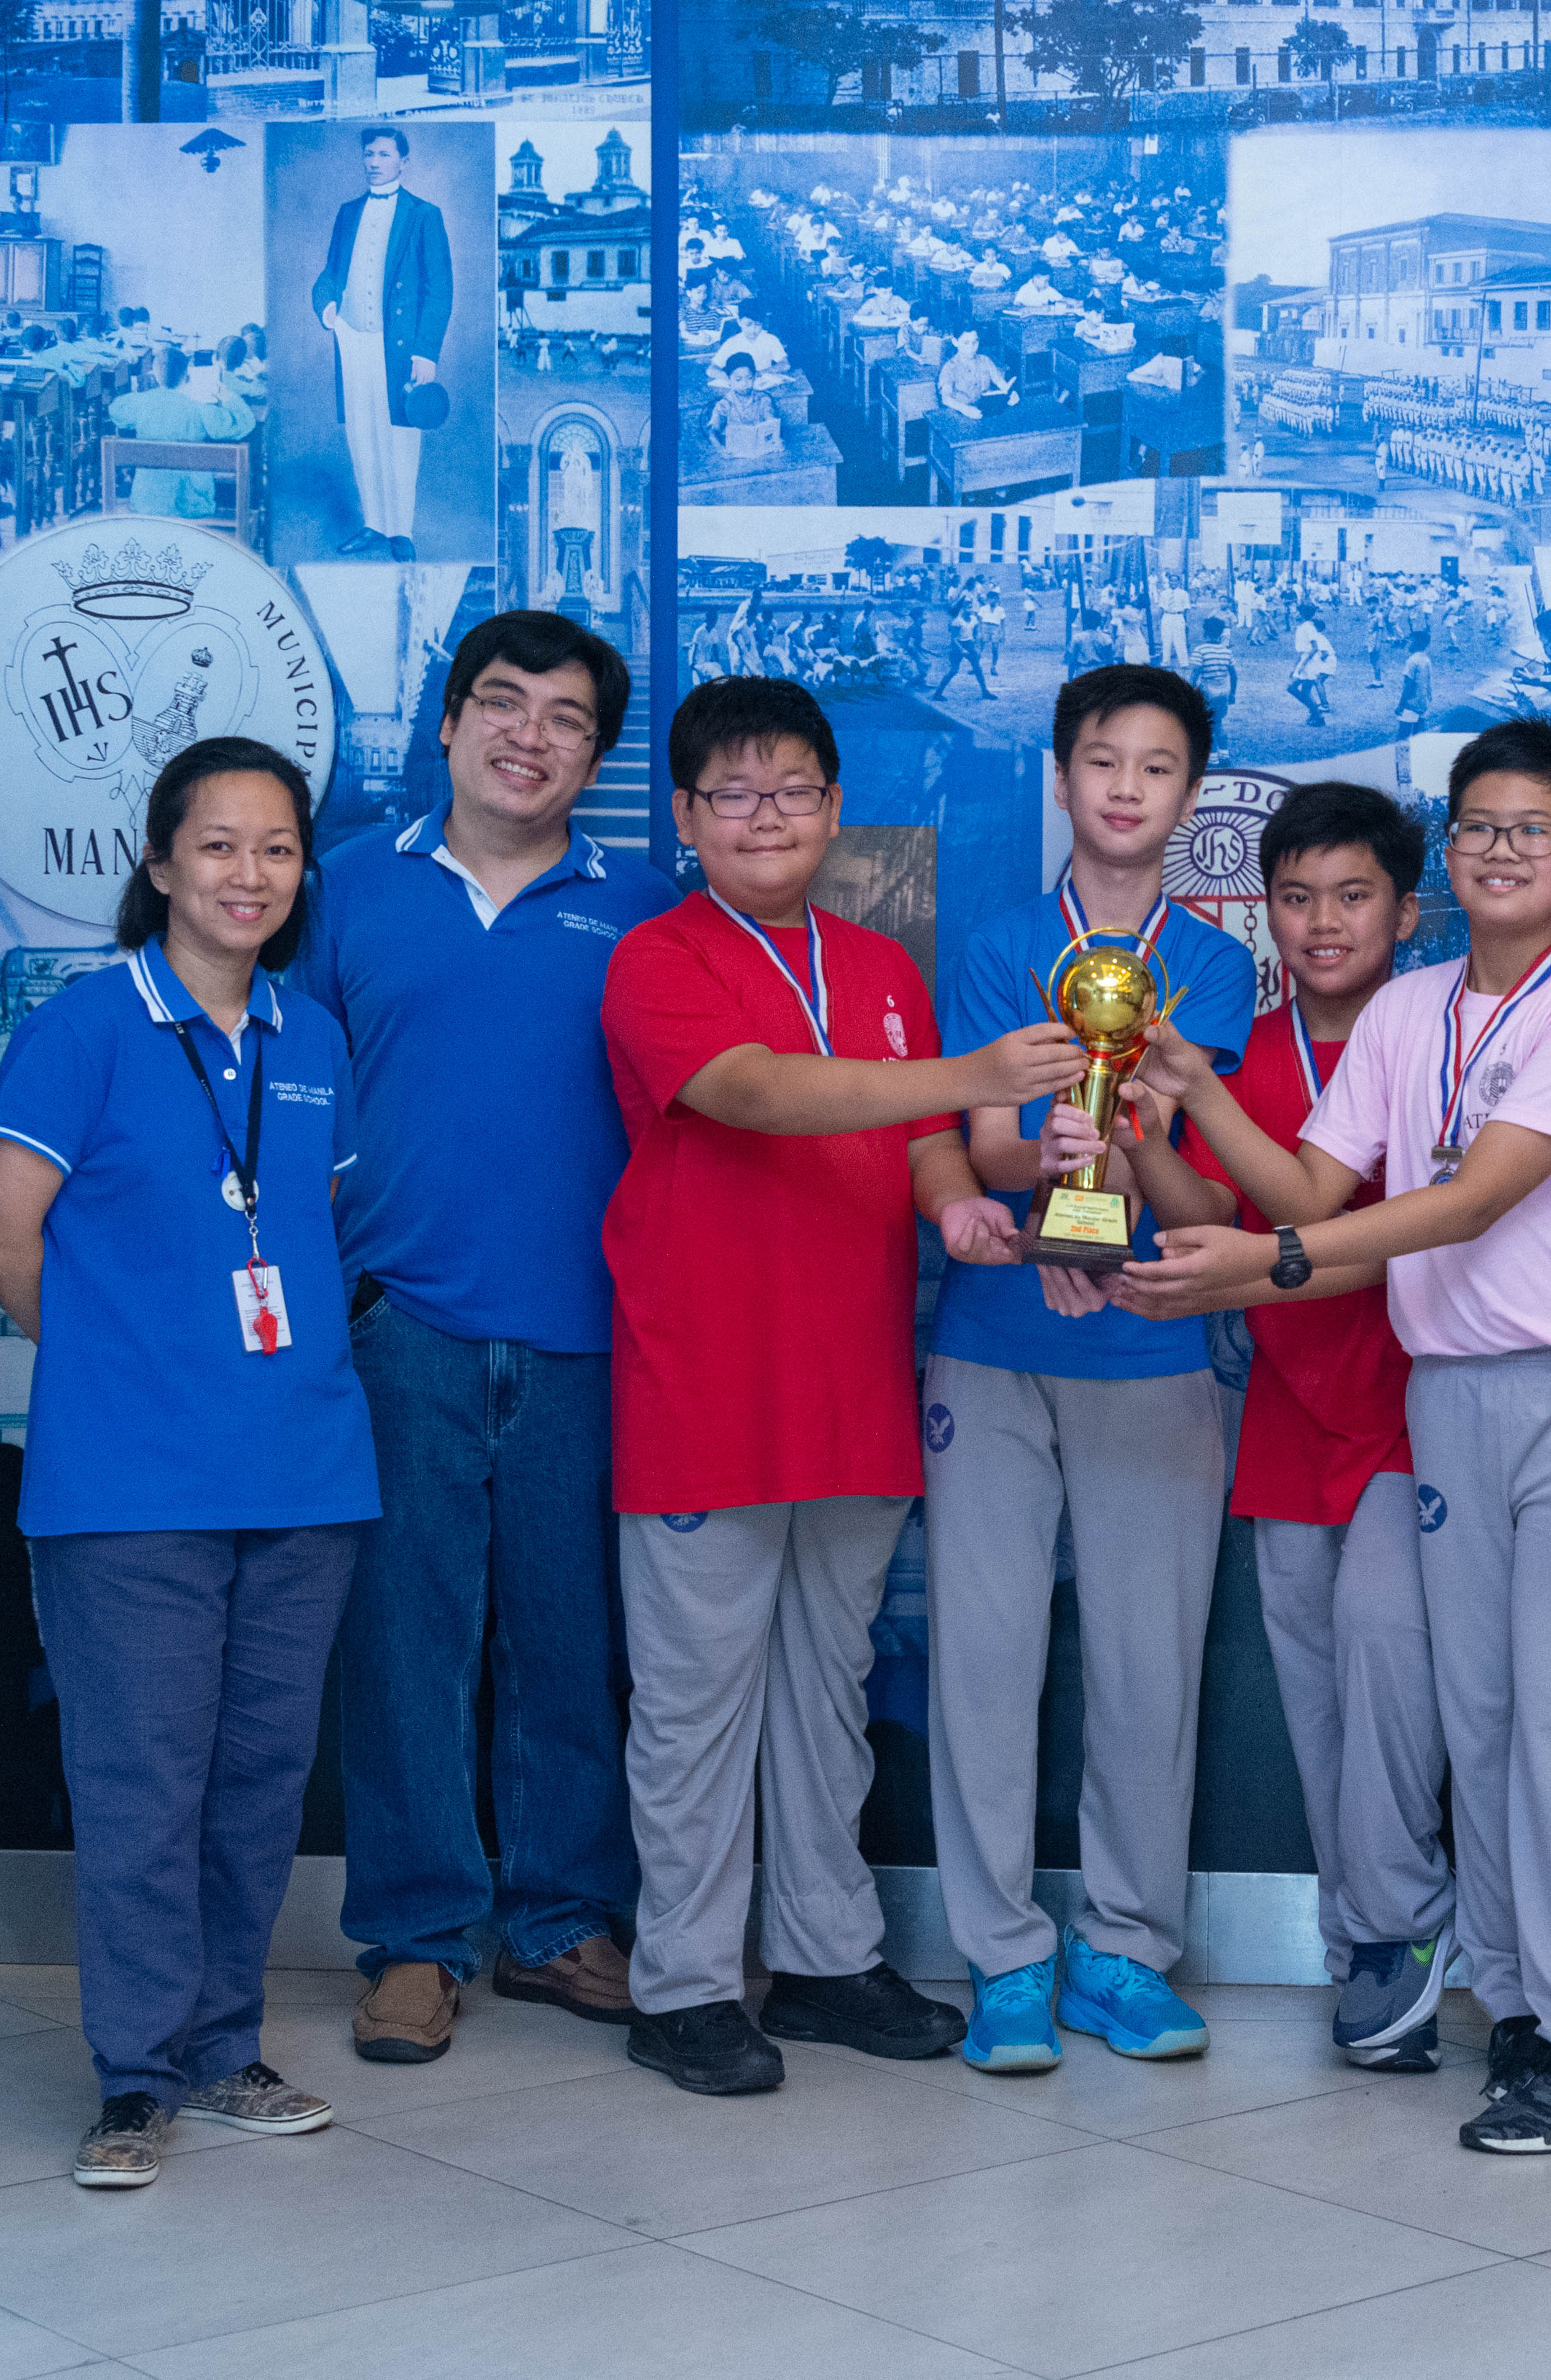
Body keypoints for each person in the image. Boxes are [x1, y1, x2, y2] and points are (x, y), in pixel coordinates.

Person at [1127, 718, 1551, 2158]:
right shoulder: (1404, 1011)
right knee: (1480, 1716)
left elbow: (1469, 1199)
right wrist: (1191, 1092)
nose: (1503, 849)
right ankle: (1524, 2009)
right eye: (1479, 824)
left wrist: (1263, 1266)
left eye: (1533, 830)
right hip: (1450, 1389)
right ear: (1451, 850)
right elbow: (1309, 1186)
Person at [598, 679, 1067, 2092]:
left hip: (852, 1381)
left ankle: (823, 1956)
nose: (766, 816)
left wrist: (959, 1208)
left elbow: (920, 1140)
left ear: (833, 807)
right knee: (695, 1704)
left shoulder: (878, 967)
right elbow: (756, 1092)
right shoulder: (656, 959)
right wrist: (968, 1073)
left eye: (793, 789)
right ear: (686, 816)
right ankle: (685, 1982)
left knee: (826, 1686)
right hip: (707, 1382)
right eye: (733, 793)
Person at [0, 736, 380, 2190]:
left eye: (277, 847)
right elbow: (1, 1231)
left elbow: (316, 1232)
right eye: (217, 844)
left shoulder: (310, 1039)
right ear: (158, 862)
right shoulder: (84, 1028)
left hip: (305, 1472)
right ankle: (135, 2076)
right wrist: (113, 1359)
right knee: (143, 1784)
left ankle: (221, 2045)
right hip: (130, 1485)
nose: (248, 873)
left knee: (259, 1780)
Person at [288, 614, 671, 2062]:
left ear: (597, 754)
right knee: (408, 1643)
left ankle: (562, 1918)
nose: (530, 735)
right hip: (402, 1327)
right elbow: (286, 1098)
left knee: (572, 1641)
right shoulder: (341, 890)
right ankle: (416, 1935)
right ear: (447, 723)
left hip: (588, 1333)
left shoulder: (642, 909)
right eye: (502, 704)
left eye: (566, 718)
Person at [922, 665, 1256, 2073]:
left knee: (1145, 1663)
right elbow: (986, 1138)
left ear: (1190, 793)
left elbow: (1198, 1183)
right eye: (1102, 760)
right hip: (993, 1338)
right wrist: (1052, 1174)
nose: (1126, 786)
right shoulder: (999, 945)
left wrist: (1109, 1176)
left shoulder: (1216, 966)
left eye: (1157, 765)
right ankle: (1002, 1956)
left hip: (1154, 1340)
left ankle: (1124, 1947)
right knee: (983, 1657)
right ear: (1060, 778)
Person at [1111, 783, 1460, 2071]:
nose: (1323, 922)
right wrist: (1142, 1139)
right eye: (1298, 897)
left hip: (1414, 1403)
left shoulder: (1441, 1039)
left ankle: (1402, 1925)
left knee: (1385, 1656)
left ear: (1404, 912)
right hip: (1286, 1409)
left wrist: (1236, 1252)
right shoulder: (1244, 1048)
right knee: (1315, 1693)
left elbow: (1382, 1232)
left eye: (1353, 896)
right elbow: (1208, 1210)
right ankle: (1359, 1944)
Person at [310, 125, 451, 560]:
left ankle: (401, 531)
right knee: (361, 431)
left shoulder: (424, 214)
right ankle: (373, 523)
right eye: (369, 154)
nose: (374, 162)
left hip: (401, 345)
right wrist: (326, 305)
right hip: (352, 337)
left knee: (399, 435)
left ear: (403, 162)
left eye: (384, 154)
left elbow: (439, 289)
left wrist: (426, 352)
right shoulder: (348, 211)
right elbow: (330, 272)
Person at [105, 343, 254, 520]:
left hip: (146, 503)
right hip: (192, 506)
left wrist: (145, 392)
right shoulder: (200, 408)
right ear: (187, 375)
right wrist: (228, 396)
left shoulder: (142, 403)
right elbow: (246, 423)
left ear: (155, 374)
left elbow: (115, 410)